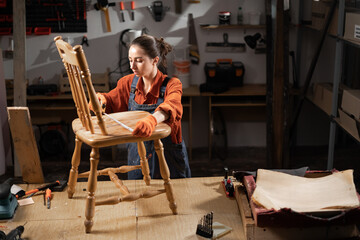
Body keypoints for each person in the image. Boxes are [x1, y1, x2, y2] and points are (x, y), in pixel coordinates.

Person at [90, 34, 191, 179]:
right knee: (140, 197)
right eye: (130, 60)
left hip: (168, 160)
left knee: (174, 197)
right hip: (138, 158)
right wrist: (101, 101)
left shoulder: (172, 84)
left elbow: (171, 107)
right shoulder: (128, 83)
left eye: (139, 61)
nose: (132, 66)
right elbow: (112, 101)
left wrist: (152, 120)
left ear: (155, 60)